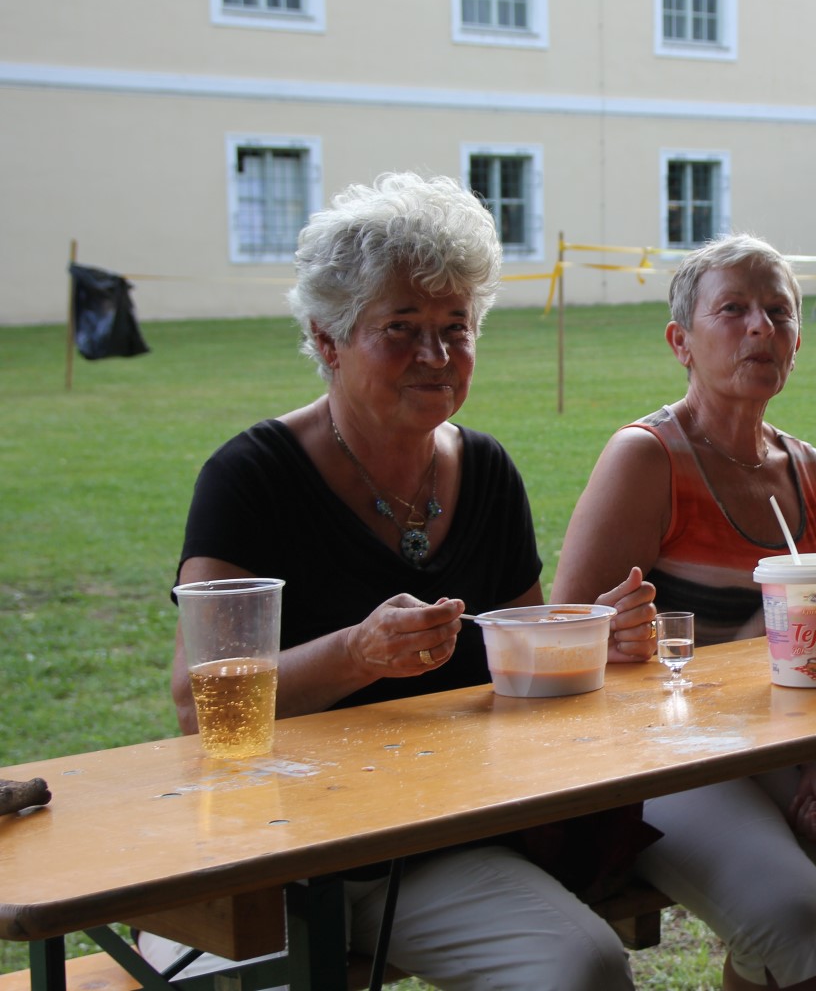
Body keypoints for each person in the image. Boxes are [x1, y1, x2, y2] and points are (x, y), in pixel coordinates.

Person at [145, 173, 657, 991]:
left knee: (583, 964)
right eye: (401, 328)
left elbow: (512, 662)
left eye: (456, 327)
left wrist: (587, 634)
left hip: (434, 843)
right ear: (327, 339)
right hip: (278, 847)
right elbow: (194, 702)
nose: (435, 355)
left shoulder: (486, 471)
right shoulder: (251, 478)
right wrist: (357, 653)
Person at [552, 233, 816, 991]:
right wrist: (617, 634)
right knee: (793, 911)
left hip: (786, 734)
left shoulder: (814, 477)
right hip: (663, 750)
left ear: (799, 341)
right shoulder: (646, 460)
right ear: (682, 340)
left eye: (779, 312)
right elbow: (562, 634)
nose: (760, 329)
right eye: (734, 310)